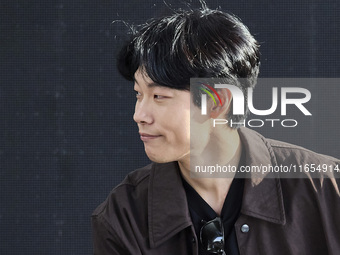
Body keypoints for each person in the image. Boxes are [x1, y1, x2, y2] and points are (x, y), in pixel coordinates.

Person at [91, 4, 340, 255]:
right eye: (138, 94)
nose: (139, 115)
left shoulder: (326, 188)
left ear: (218, 101)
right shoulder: (124, 216)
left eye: (158, 96)